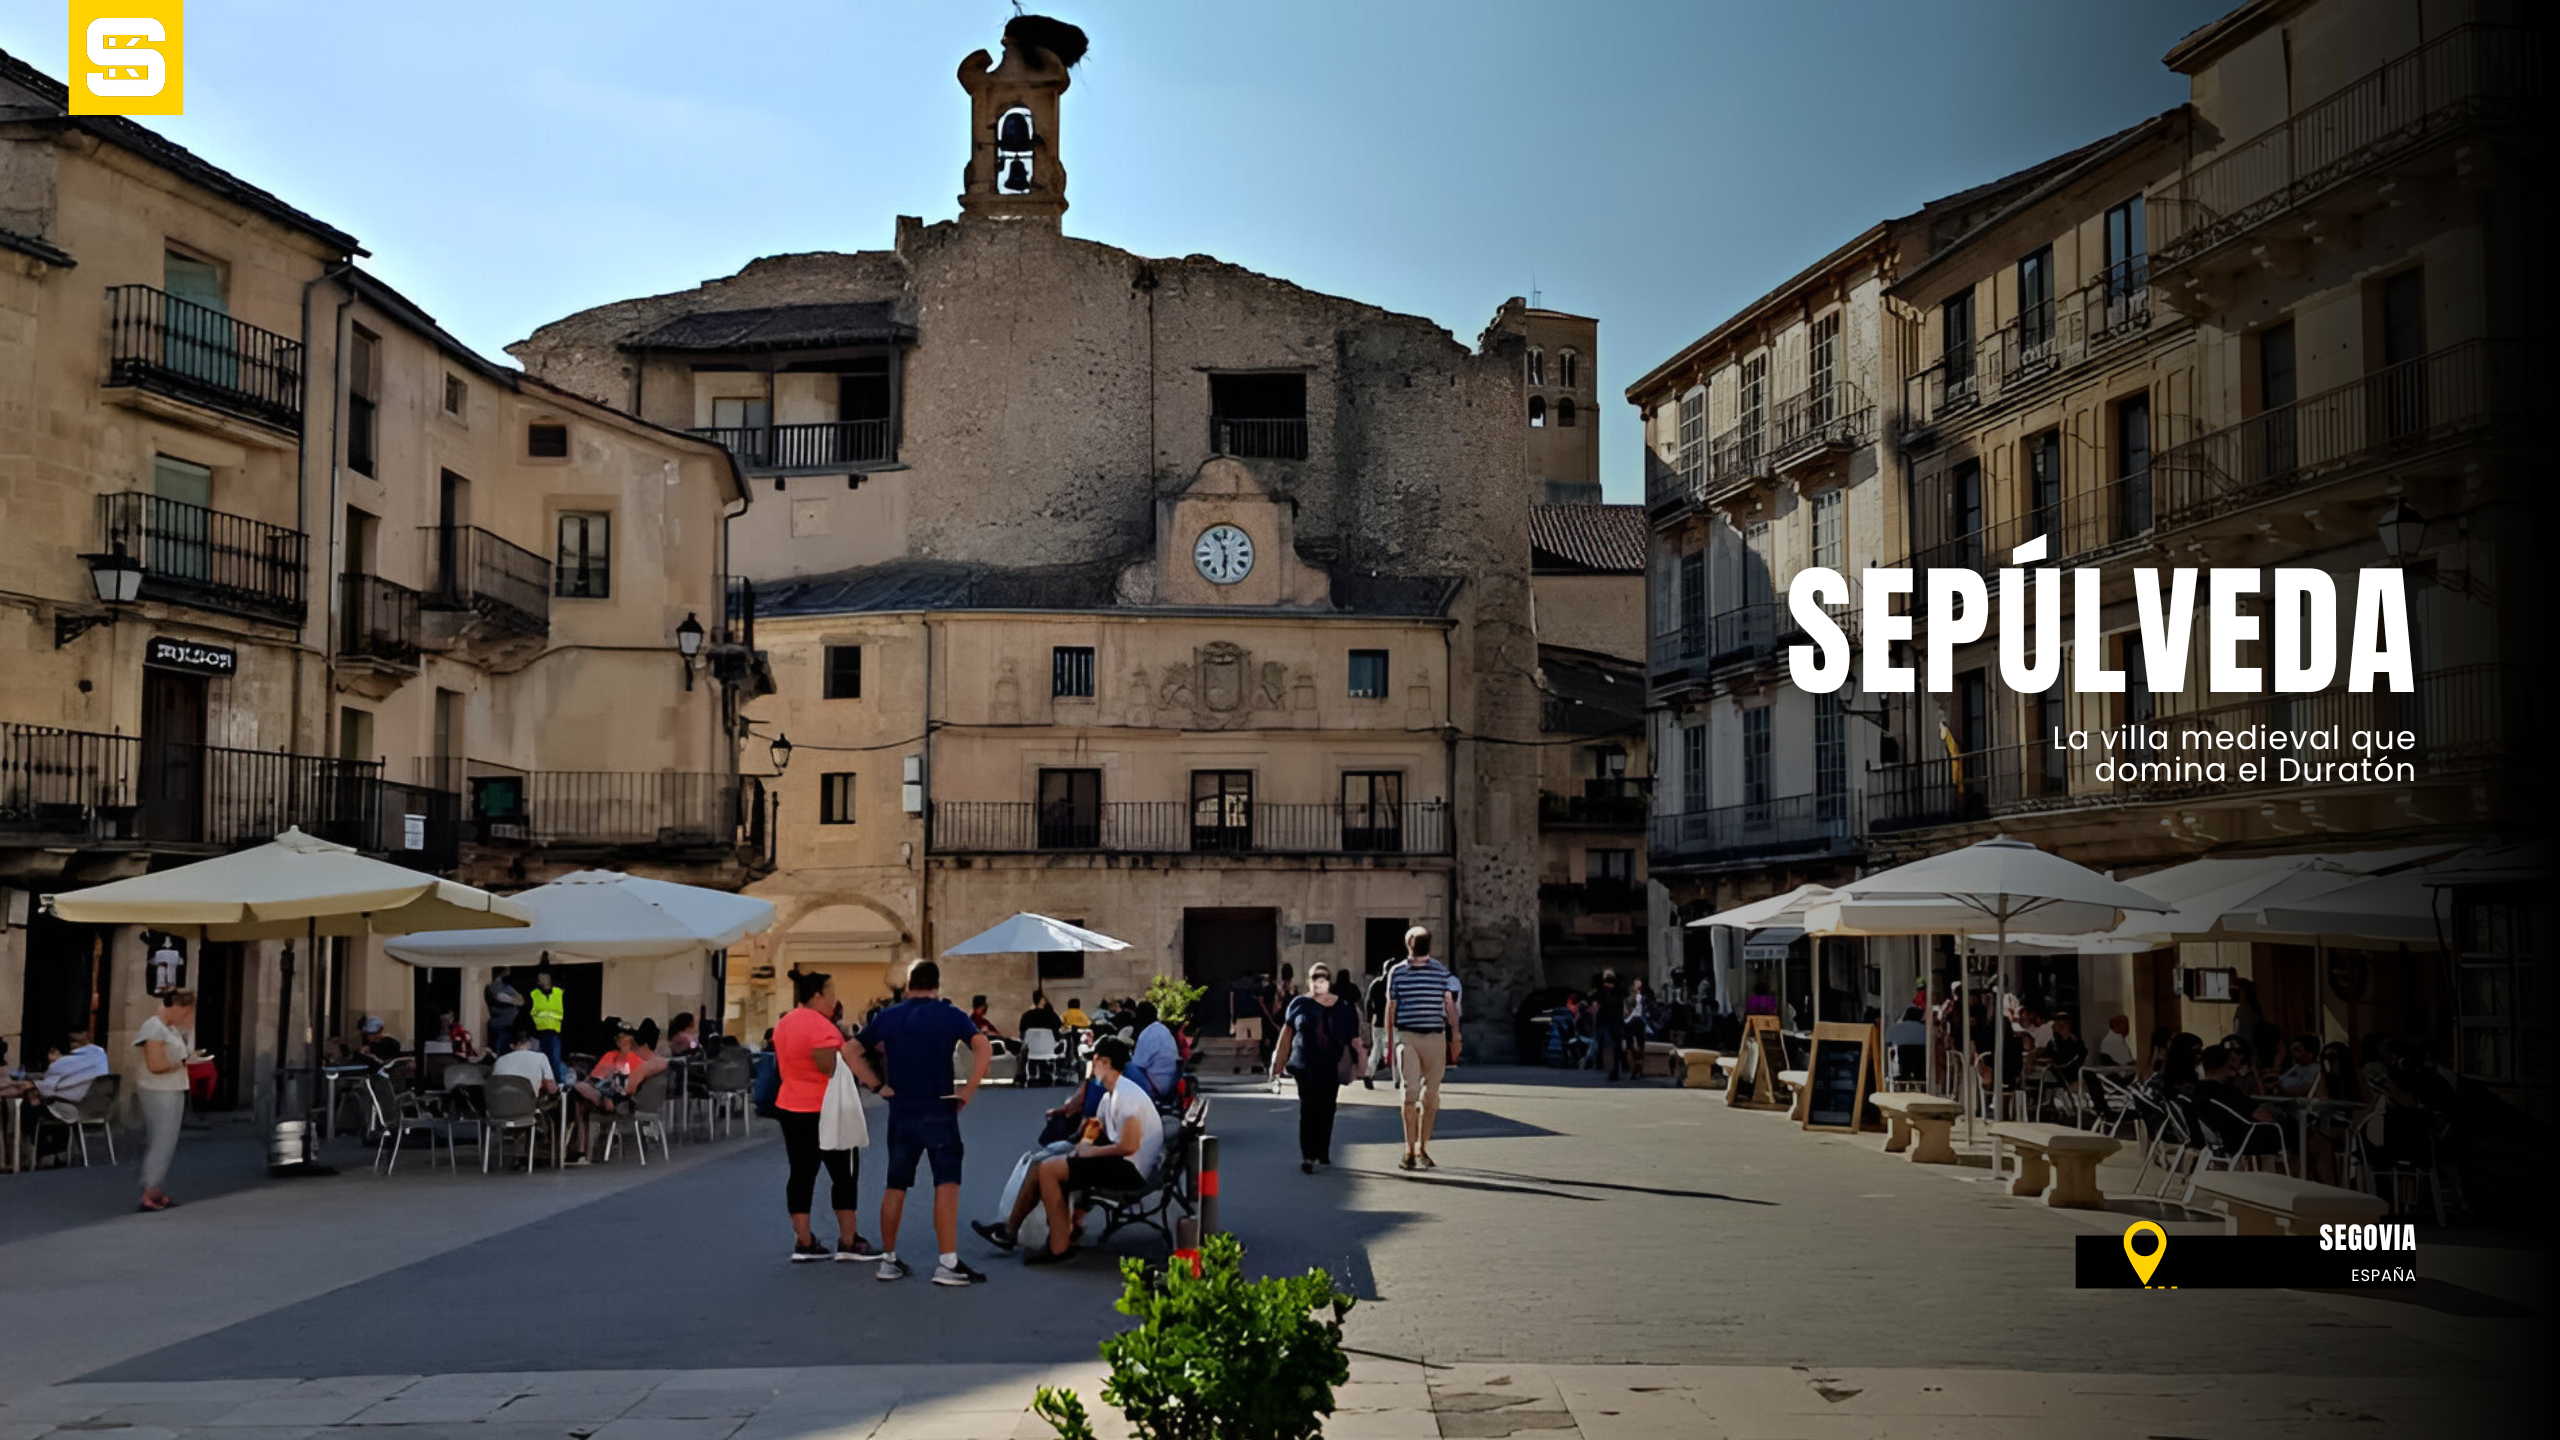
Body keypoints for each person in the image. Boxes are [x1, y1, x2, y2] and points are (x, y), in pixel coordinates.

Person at [849, 960, 991, 1286]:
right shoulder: (950, 1014)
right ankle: (947, 1262)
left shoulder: (889, 1016)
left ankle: (888, 1259)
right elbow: (981, 1046)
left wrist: (876, 1085)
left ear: (909, 984)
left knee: (896, 1183)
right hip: (939, 1107)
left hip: (901, 1109)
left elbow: (850, 1049)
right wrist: (967, 1091)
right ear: (937, 985)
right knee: (946, 1182)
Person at [974, 1035, 1162, 1265]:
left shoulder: (1127, 1096)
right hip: (1121, 1161)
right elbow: (1096, 1125)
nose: (1092, 1066)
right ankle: (1010, 1232)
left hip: (1130, 1169)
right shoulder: (1113, 1091)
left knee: (1049, 1171)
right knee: (1040, 1167)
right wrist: (1081, 1143)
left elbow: (1129, 1145)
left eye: (1095, 1060)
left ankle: (1057, 1244)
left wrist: (1089, 1152)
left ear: (1105, 1061)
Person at [772, 971, 876, 1263]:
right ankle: (848, 1240)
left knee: (801, 1173)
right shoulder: (821, 1026)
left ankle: (804, 1241)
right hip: (827, 1108)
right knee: (844, 1174)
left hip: (791, 1104)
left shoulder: (784, 1023)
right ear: (818, 995)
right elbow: (825, 1064)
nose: (834, 999)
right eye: (830, 992)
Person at [1270, 963, 1366, 1172]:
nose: (1318, 981)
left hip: (1331, 1064)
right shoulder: (1299, 1004)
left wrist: (1359, 1066)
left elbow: (1354, 1039)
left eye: (1322, 977)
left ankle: (1323, 1150)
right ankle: (1308, 1155)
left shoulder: (1342, 1007)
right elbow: (1286, 1034)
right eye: (1315, 977)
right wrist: (1277, 1063)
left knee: (1327, 1108)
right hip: (1304, 1064)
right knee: (1308, 1108)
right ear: (1309, 980)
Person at [1384, 925, 1459, 1171]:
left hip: (1435, 1037)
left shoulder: (1441, 972)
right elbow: (1391, 1008)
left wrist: (1455, 1035)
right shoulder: (1397, 973)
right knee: (1411, 1092)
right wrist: (1389, 1040)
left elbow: (1449, 1007)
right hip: (1408, 1037)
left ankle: (1422, 1147)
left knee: (1432, 1096)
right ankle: (1410, 1149)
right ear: (1410, 945)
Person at [563, 1024, 666, 1165]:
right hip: (600, 1095)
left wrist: (608, 1090)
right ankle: (580, 1152)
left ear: (631, 1040)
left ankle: (580, 1150)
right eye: (618, 1036)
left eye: (624, 1036)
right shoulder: (610, 1056)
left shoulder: (636, 1061)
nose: (620, 1040)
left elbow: (630, 1087)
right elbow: (594, 1077)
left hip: (620, 1101)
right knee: (580, 1100)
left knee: (580, 1097)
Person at [133, 990, 196, 1211]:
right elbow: (156, 1065)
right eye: (186, 1012)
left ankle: (156, 1187)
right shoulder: (154, 1027)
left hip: (172, 1088)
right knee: (161, 1140)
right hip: (159, 1090)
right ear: (175, 1008)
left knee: (167, 1141)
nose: (187, 1017)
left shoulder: (171, 1029)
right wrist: (181, 1064)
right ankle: (149, 1189)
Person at [1126, 1001, 1181, 1101]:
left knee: (1125, 1068)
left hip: (1156, 1086)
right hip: (1167, 1081)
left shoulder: (1148, 1034)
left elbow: (1138, 1064)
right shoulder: (1163, 1030)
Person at [490, 1025, 558, 1096]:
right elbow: (551, 1088)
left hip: (501, 1104)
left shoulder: (499, 1061)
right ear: (530, 1043)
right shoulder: (541, 1058)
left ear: (511, 1046)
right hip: (528, 1104)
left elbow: (493, 1085)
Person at [528, 965, 568, 1082]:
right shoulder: (534, 994)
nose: (542, 980)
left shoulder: (558, 992)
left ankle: (556, 1083)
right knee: (542, 1061)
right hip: (539, 1033)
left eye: (544, 977)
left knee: (554, 1059)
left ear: (550, 978)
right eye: (540, 978)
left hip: (555, 1032)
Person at [1592, 969, 1629, 1082]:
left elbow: (1602, 1006)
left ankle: (1614, 1069)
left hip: (1612, 1022)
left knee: (1613, 1046)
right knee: (1612, 1045)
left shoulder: (1614, 993)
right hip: (1610, 1022)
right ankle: (1613, 1068)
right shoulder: (1608, 992)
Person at [484, 968, 526, 1053]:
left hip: (509, 1025)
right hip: (501, 1025)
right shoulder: (494, 986)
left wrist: (515, 1000)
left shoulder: (507, 987)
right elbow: (500, 998)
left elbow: (521, 1001)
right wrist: (513, 1000)